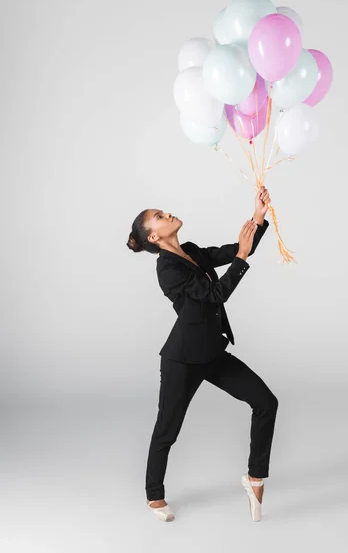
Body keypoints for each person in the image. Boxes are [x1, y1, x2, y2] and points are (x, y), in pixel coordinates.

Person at [126, 186, 279, 522]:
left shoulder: (192, 252)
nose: (167, 214)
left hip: (210, 351)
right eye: (160, 216)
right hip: (182, 358)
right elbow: (215, 293)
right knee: (167, 428)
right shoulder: (167, 269)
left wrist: (257, 218)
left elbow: (239, 251)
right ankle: (154, 495)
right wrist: (240, 257)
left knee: (266, 402)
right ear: (153, 236)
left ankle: (255, 478)